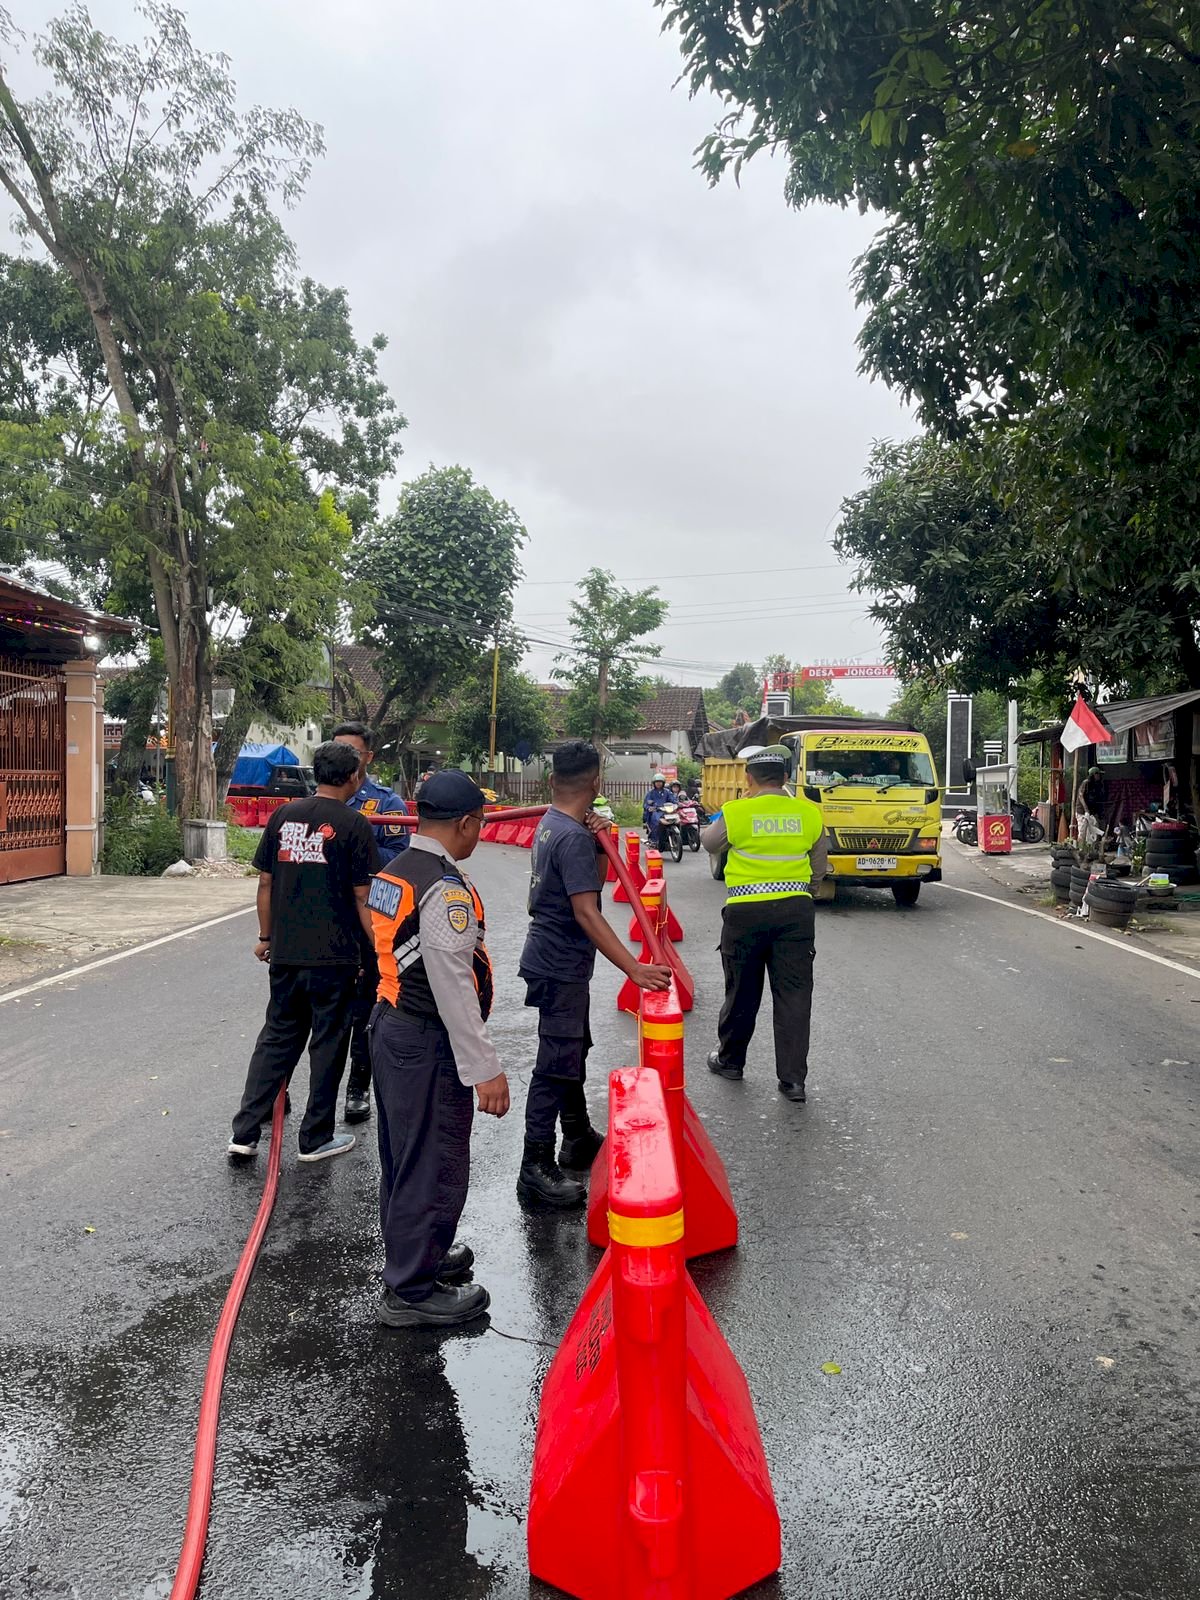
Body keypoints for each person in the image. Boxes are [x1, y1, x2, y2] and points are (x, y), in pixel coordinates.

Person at [368, 770, 510, 1329]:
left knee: (404, 1156)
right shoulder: (444, 889)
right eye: (480, 823)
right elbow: (452, 984)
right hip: (426, 1037)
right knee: (434, 1161)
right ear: (467, 823)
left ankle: (415, 1255)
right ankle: (411, 1291)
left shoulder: (396, 869)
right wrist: (486, 1069)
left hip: (392, 1024)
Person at [519, 740, 671, 1207]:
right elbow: (587, 911)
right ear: (597, 782)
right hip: (560, 962)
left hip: (554, 959)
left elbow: (591, 879)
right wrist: (635, 968)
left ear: (551, 782)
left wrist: (601, 840)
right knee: (555, 1062)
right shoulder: (568, 835)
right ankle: (535, 1165)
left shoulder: (554, 824)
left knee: (572, 1048)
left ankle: (578, 1135)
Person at [228, 740, 381, 1164]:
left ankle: (244, 1134)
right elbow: (362, 897)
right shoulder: (354, 825)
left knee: (276, 1039)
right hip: (335, 958)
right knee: (328, 1044)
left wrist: (266, 936)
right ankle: (314, 1138)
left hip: (288, 954)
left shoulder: (283, 816)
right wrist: (380, 951)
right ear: (353, 777)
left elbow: (265, 883)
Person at [701, 744, 828, 1103]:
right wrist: (804, 893)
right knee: (794, 995)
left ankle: (730, 1061)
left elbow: (710, 843)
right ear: (786, 777)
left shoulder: (738, 811)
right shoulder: (809, 814)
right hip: (795, 913)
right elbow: (819, 866)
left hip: (745, 915)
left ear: (749, 778)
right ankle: (793, 1082)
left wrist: (741, 805)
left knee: (741, 990)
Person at [332, 722, 411, 1126]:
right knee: (312, 1010)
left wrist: (350, 844)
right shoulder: (318, 798)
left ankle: (357, 1088)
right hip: (325, 918)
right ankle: (284, 1089)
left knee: (364, 1010)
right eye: (337, 748)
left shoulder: (385, 803)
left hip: (368, 920)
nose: (344, 755)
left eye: (352, 750)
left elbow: (397, 855)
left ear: (367, 758)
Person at [642, 771, 672, 846]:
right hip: (656, 812)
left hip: (666, 811)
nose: (658, 783)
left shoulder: (667, 792)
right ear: (654, 783)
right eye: (657, 782)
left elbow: (673, 800)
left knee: (677, 821)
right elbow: (646, 803)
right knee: (656, 822)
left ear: (663, 783)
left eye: (660, 782)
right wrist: (649, 807)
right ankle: (655, 840)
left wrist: (677, 804)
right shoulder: (651, 793)